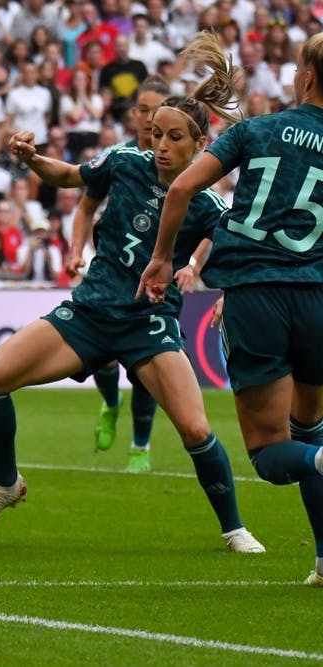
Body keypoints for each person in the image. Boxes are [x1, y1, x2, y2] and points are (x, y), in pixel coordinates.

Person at [0, 32, 265, 556]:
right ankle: (7, 484)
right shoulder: (126, 162)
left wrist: (208, 278)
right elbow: (71, 177)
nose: (162, 146)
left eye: (174, 138)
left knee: (195, 429)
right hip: (91, 310)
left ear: (199, 147)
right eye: (157, 134)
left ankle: (234, 528)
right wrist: (34, 160)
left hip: (149, 325)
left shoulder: (208, 206)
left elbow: (236, 250)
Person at [138, 32, 323, 585]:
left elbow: (180, 191)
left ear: (307, 76)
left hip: (255, 295)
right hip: (318, 295)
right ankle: (322, 560)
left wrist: (163, 259)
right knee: (309, 428)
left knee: (272, 454)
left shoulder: (256, 130)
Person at [70, 75, 173, 472]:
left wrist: (193, 264)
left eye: (157, 110)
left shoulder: (185, 164)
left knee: (147, 367)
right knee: (103, 358)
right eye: (144, 110)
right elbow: (85, 206)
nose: (150, 118)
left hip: (156, 281)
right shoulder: (119, 157)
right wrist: (76, 249)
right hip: (111, 273)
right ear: (134, 114)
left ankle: (140, 448)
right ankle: (111, 403)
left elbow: (207, 215)